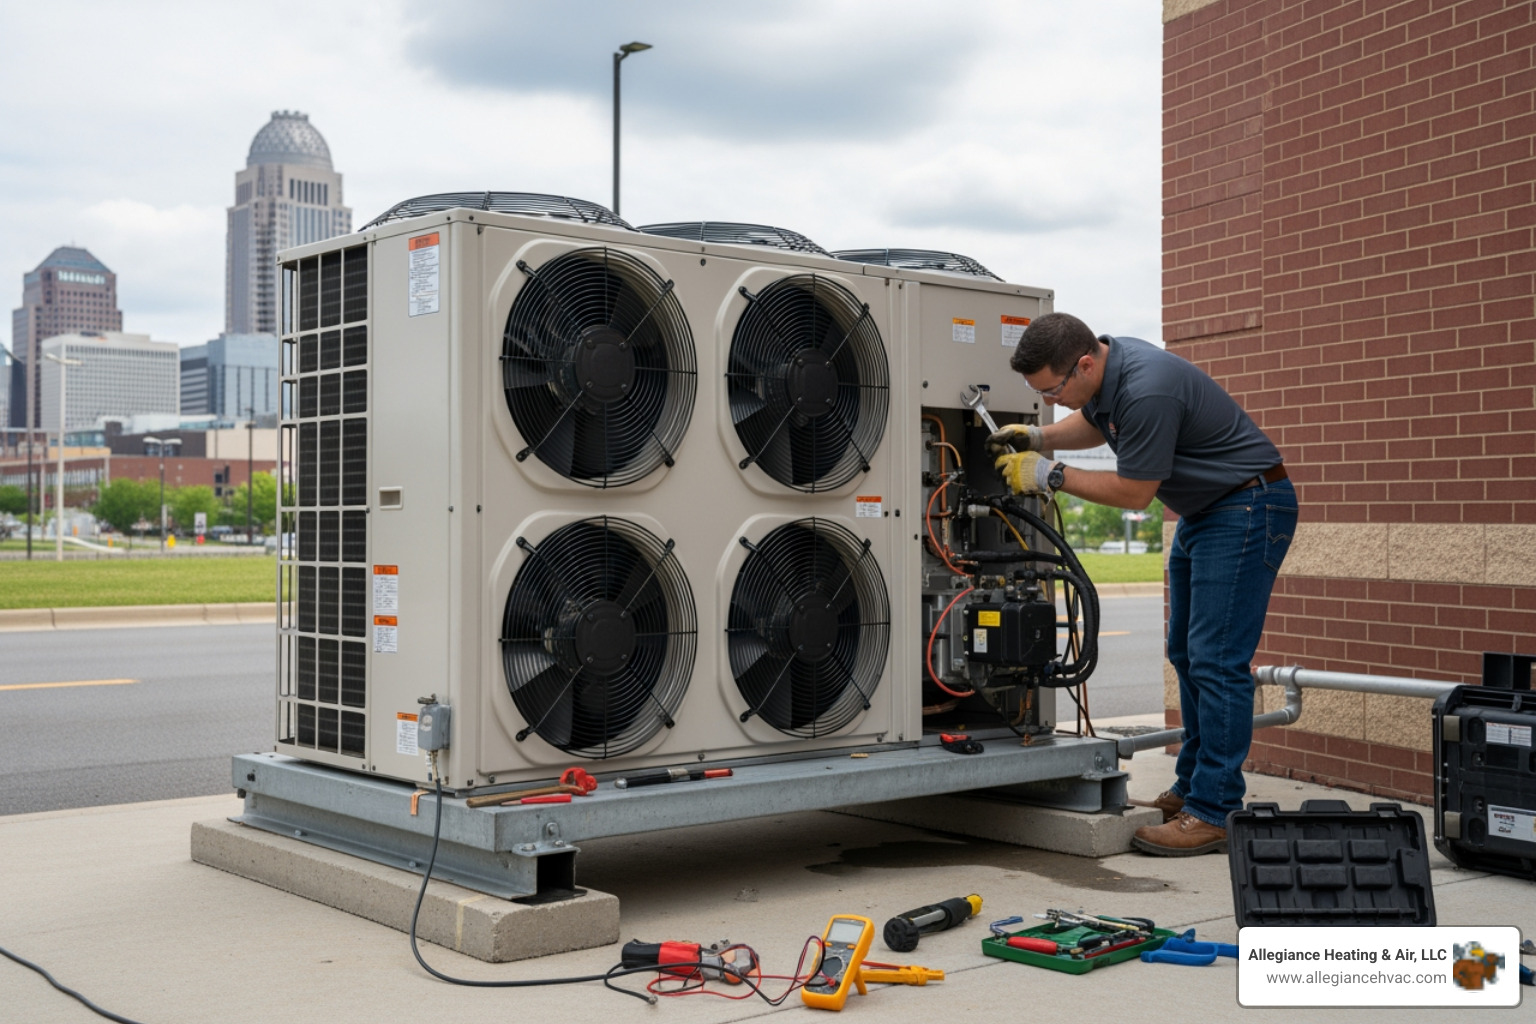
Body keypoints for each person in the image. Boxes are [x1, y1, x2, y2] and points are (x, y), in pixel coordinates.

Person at [989, 312, 1296, 856]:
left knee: (1216, 659)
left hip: (1247, 507)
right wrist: (1040, 436)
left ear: (1085, 364)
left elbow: (1134, 493)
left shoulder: (1147, 388)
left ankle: (1214, 809)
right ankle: (1194, 787)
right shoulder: (1111, 369)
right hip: (1210, 510)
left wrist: (1049, 473)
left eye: (1052, 391)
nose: (1052, 401)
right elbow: (1095, 423)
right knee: (1186, 653)